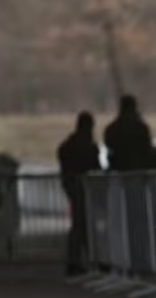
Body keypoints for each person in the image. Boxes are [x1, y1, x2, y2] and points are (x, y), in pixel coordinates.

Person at [56, 111, 101, 277]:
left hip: (73, 186)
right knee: (84, 224)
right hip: (84, 187)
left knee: (79, 224)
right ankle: (87, 258)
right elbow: (95, 166)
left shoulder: (68, 145)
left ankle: (77, 260)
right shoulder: (88, 146)